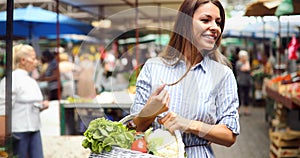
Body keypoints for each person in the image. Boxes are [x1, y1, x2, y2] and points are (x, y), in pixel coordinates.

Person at [130, 0, 240, 157]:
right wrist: (149, 112)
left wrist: (190, 124)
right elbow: (133, 129)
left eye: (218, 22)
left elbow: (229, 135)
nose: (215, 27)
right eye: (205, 20)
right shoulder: (152, 68)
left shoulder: (223, 75)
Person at [0, 44, 49, 158]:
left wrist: (41, 106)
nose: (36, 62)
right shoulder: (11, 80)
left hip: (34, 129)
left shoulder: (30, 80)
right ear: (23, 60)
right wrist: (2, 131)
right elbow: (3, 106)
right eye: (33, 58)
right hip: (18, 131)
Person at [235, 50, 252, 115]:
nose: (245, 58)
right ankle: (238, 111)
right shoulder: (238, 63)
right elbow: (246, 68)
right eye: (244, 56)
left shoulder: (246, 63)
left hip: (247, 82)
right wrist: (247, 62)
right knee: (239, 96)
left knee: (246, 96)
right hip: (240, 82)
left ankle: (246, 110)